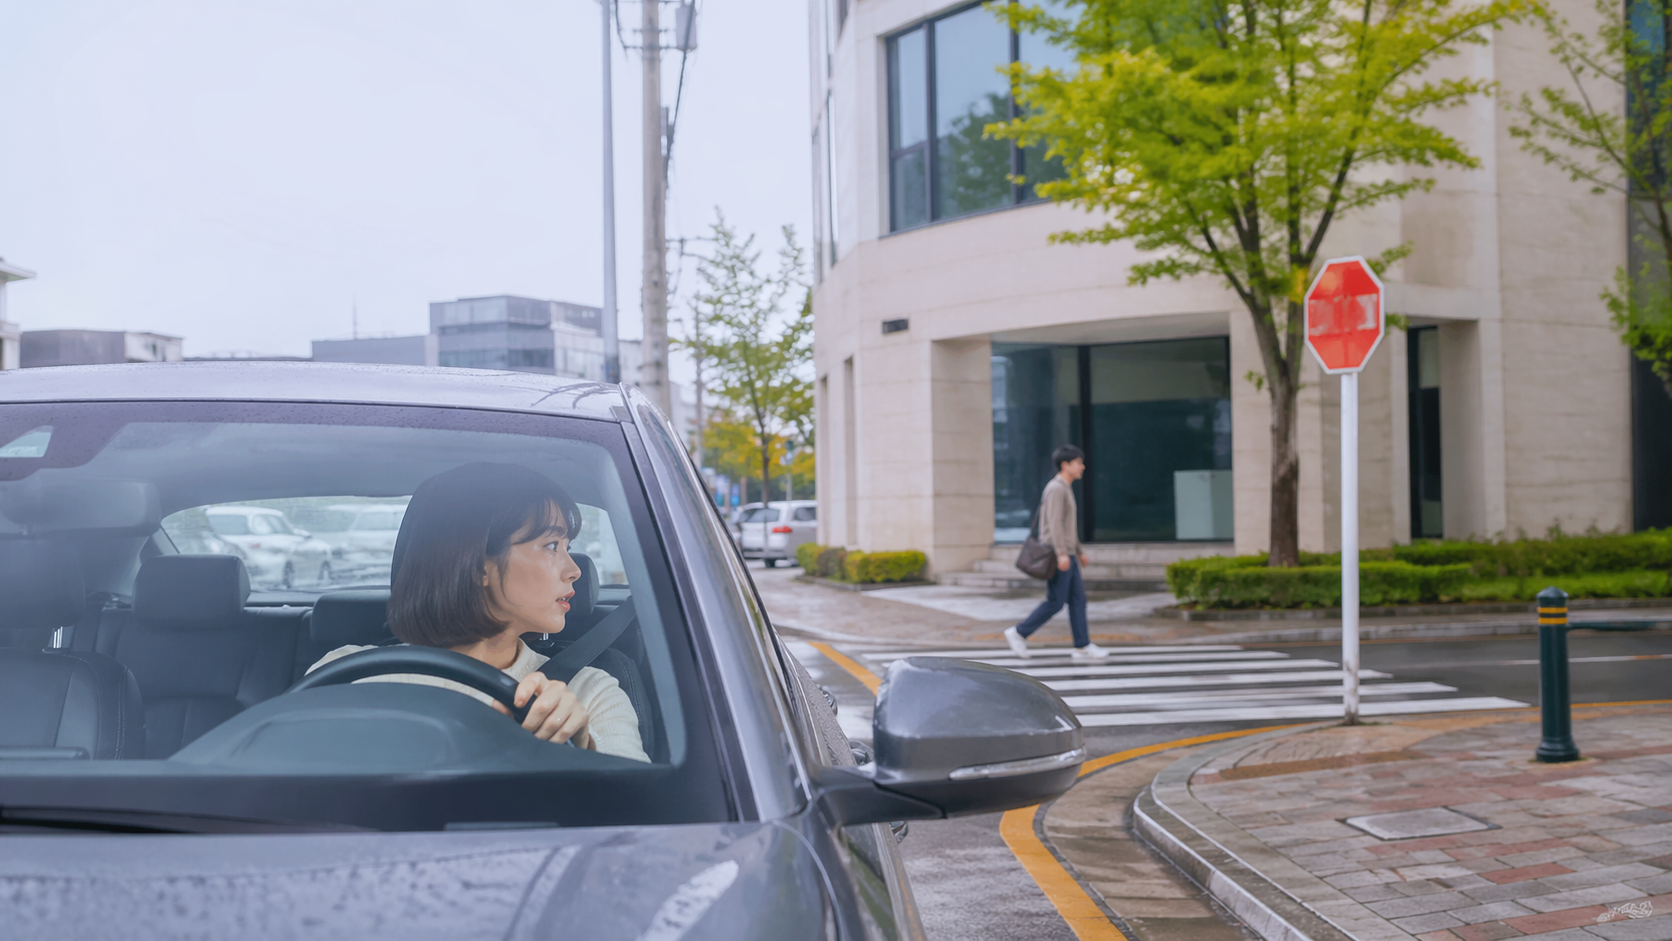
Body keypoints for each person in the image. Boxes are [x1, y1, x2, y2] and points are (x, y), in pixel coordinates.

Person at [308, 462, 649, 763]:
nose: (574, 570)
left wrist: (581, 747)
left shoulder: (588, 691)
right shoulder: (348, 675)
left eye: (567, 547)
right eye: (551, 546)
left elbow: (643, 817)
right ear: (476, 566)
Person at [1004, 445, 1109, 661]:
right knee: (1056, 601)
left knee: (1078, 600)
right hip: (1058, 554)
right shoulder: (1056, 488)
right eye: (1078, 463)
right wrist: (1062, 553)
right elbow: (1055, 525)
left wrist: (1078, 552)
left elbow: (1068, 527)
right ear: (1065, 465)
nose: (1082, 467)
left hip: (1067, 553)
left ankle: (1082, 646)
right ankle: (1019, 632)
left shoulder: (1065, 487)